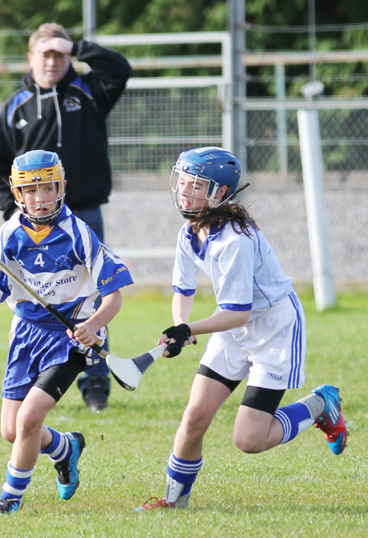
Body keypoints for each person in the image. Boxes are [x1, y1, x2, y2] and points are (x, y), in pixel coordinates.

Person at [135, 146, 348, 511]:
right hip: (234, 329)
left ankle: (320, 404)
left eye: (195, 186)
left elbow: (237, 312)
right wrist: (179, 326)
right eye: (182, 183)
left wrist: (190, 330)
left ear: (220, 193)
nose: (185, 192)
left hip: (274, 328)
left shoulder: (235, 241)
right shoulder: (190, 231)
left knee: (249, 439)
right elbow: (183, 289)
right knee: (195, 416)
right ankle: (174, 502)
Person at [0, 150, 133, 515]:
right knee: (12, 431)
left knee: (29, 419)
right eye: (30, 191)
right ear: (16, 193)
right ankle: (64, 448)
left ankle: (10, 499)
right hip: (26, 335)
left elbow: (114, 294)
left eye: (47, 188)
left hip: (71, 336)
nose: (40, 198)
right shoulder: (9, 233)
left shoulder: (78, 233)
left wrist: (93, 325)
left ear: (61, 187)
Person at [0, 22, 133, 412]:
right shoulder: (15, 105)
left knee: (93, 296)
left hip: (82, 213)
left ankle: (95, 381)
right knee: (39, 299)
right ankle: (40, 377)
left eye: (59, 54)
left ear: (68, 56)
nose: (52, 61)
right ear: (31, 57)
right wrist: (12, 211)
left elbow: (120, 69)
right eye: (45, 53)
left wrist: (77, 45)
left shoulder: (88, 91)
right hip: (30, 223)